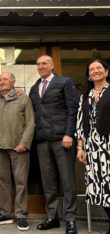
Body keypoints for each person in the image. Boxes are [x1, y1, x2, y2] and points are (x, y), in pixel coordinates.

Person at [29, 55, 79, 234]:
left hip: (62, 139)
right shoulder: (34, 88)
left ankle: (71, 219)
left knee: (67, 181)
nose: (41, 66)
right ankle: (52, 217)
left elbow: (73, 109)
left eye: (44, 63)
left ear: (51, 65)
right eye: (38, 64)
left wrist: (69, 134)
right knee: (48, 182)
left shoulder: (65, 82)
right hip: (42, 140)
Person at [0, 72, 35, 231]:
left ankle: (21, 215)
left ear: (13, 82)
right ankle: (5, 213)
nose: (2, 81)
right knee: (3, 181)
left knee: (20, 182)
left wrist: (24, 143)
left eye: (6, 79)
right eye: (0, 79)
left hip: (18, 147)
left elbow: (30, 123)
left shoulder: (24, 98)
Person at [76, 59, 110, 234]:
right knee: (98, 186)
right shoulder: (85, 97)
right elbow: (81, 124)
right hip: (94, 148)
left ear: (106, 71)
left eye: (99, 68)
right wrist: (80, 148)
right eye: (92, 69)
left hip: (109, 144)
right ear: (88, 75)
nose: (95, 71)